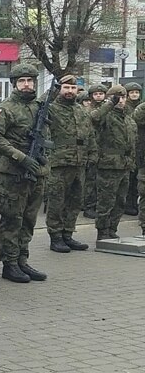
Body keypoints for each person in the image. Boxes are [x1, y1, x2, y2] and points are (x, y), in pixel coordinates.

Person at [0, 64, 51, 283]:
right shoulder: (5, 108)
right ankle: (9, 263)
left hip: (37, 172)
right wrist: (21, 157)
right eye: (22, 81)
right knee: (12, 219)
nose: (27, 85)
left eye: (31, 81)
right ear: (15, 83)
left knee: (28, 219)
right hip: (13, 173)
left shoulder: (39, 107)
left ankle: (22, 259)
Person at [45, 75, 92, 253]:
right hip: (59, 162)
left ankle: (68, 234)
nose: (70, 91)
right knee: (57, 200)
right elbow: (40, 105)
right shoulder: (51, 108)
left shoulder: (81, 110)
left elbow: (90, 135)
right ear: (60, 89)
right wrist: (52, 90)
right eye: (66, 88)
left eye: (73, 88)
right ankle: (55, 236)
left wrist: (91, 155)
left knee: (75, 201)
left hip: (79, 162)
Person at [90, 84, 135, 240]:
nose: (121, 101)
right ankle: (102, 231)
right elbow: (94, 118)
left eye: (123, 97)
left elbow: (131, 142)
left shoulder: (128, 118)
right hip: (108, 165)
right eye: (117, 98)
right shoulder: (105, 115)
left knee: (120, 201)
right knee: (106, 201)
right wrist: (110, 103)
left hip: (125, 165)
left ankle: (112, 229)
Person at [82, 84, 107, 219]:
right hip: (91, 149)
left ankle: (98, 205)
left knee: (102, 181)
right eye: (96, 94)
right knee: (90, 180)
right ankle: (88, 206)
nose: (99, 96)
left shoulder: (109, 108)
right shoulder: (87, 110)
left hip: (105, 149)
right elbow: (95, 117)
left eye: (101, 93)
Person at [127, 81, 144, 217]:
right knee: (131, 177)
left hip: (141, 145)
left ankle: (135, 203)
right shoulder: (125, 107)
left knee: (138, 179)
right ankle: (129, 204)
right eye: (132, 92)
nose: (134, 94)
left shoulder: (141, 106)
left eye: (137, 92)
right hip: (130, 144)